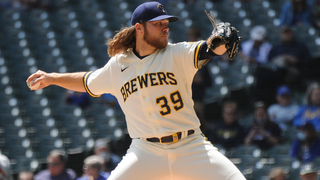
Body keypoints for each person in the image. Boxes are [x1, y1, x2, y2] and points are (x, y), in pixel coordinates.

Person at [26, 1, 245, 180]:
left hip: (190, 146)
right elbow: (86, 81)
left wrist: (222, 41)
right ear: (139, 28)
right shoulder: (118, 65)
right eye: (158, 23)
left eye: (167, 22)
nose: (166, 26)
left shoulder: (177, 53)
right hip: (146, 151)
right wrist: (52, 78)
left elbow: (209, 48)